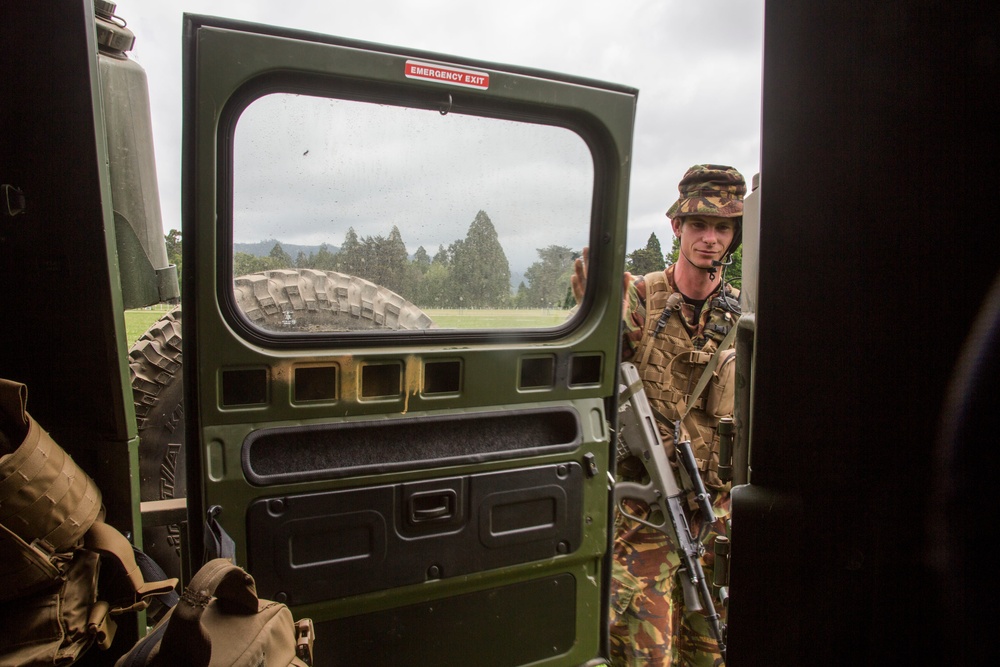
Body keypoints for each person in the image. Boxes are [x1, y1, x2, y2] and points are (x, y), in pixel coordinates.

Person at [573, 164, 745, 666]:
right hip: (645, 523)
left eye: (722, 228)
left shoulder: (740, 316)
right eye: (698, 226)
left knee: (712, 656)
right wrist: (598, 303)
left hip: (714, 523)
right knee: (646, 658)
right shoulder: (642, 301)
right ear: (677, 228)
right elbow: (590, 374)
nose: (710, 239)